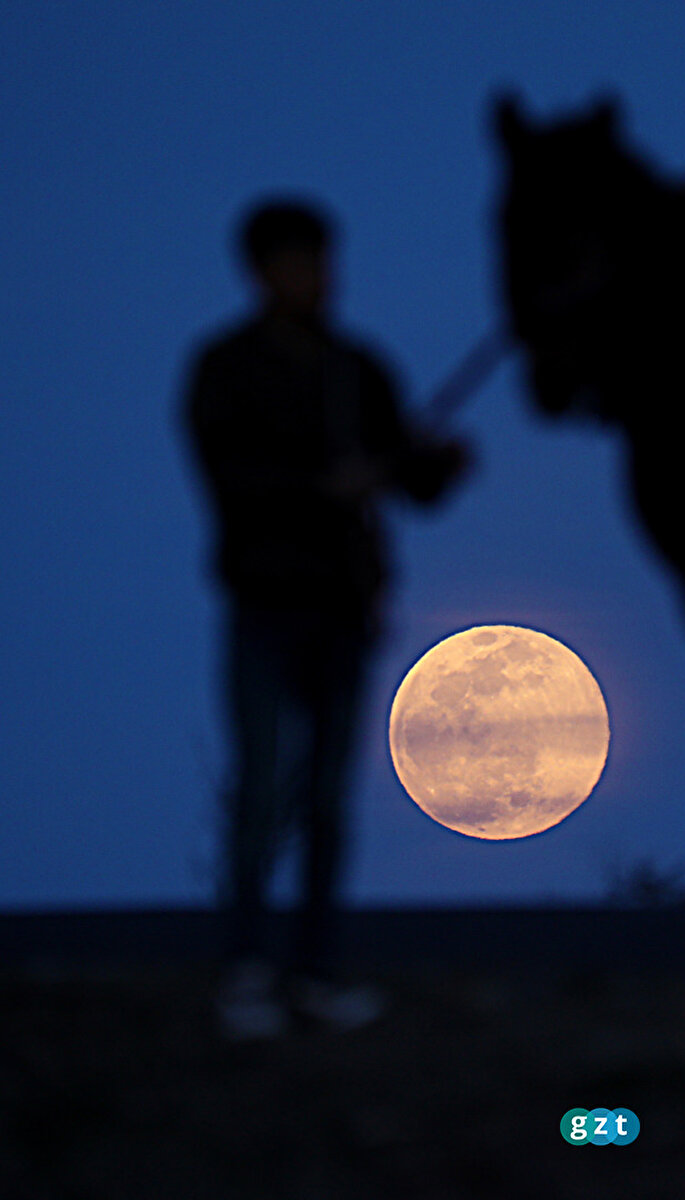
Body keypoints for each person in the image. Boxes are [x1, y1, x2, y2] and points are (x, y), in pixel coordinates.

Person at [182, 198, 469, 1038]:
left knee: (330, 804)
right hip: (265, 608)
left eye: (323, 260)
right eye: (300, 262)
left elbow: (407, 480)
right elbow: (227, 476)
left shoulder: (359, 368)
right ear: (261, 270)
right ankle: (243, 971)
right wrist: (321, 488)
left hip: (347, 609)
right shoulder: (223, 367)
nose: (318, 278)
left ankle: (313, 971)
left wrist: (437, 467)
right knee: (262, 792)